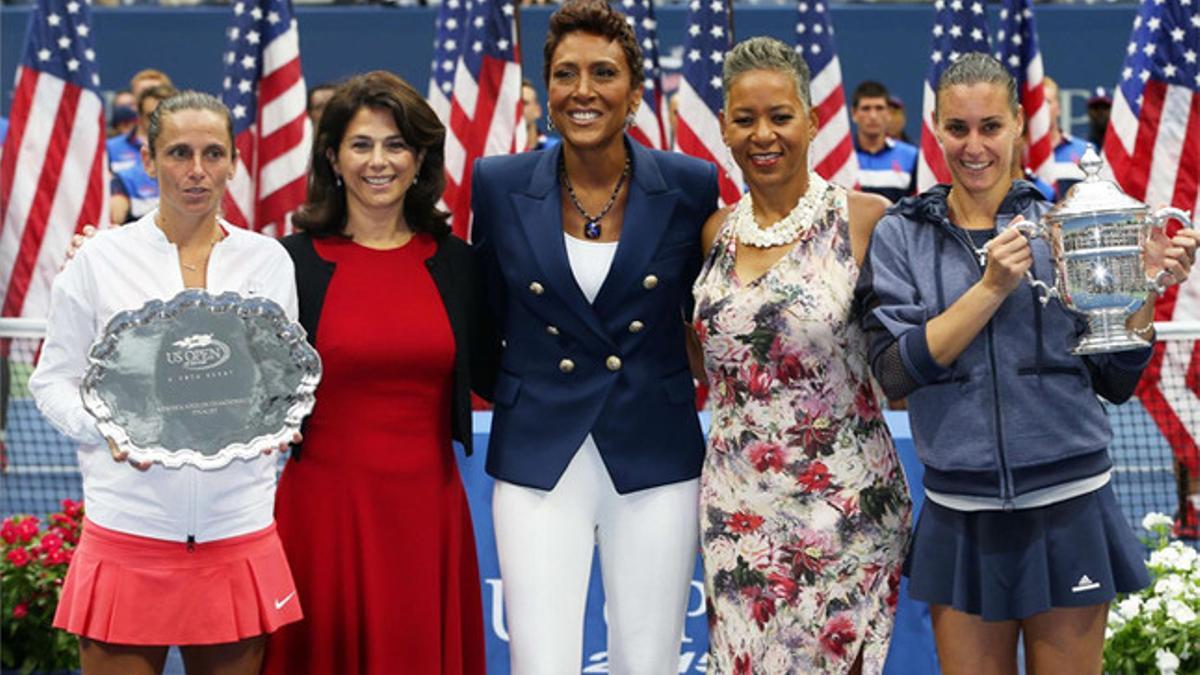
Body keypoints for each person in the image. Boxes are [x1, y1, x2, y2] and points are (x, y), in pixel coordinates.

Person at [855, 53, 1198, 675]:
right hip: (961, 515)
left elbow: (1115, 380)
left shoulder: (1067, 225)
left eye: (990, 126)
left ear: (1018, 123)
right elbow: (896, 373)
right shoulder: (900, 234)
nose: (975, 146)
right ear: (935, 127)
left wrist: (1144, 291)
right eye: (958, 128)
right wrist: (989, 288)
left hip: (1070, 506)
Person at [470, 1, 718, 672]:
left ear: (635, 92)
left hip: (654, 451)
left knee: (649, 657)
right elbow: (484, 319)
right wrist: (532, 391)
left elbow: (705, 314)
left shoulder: (692, 185)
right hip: (538, 457)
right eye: (565, 73)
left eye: (603, 72)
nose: (583, 90)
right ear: (545, 89)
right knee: (540, 659)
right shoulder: (496, 183)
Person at [29, 90, 301, 675]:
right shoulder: (98, 260)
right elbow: (51, 382)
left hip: (237, 526)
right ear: (148, 161)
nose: (196, 171)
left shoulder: (270, 261)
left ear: (234, 161)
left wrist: (277, 420)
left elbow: (282, 377)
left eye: (213, 153)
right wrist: (110, 430)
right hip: (129, 526)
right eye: (178, 152)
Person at [693, 37, 912, 674]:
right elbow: (700, 355)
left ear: (813, 122)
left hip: (845, 513)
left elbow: (910, 355)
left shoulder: (867, 220)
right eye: (745, 118)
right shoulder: (713, 232)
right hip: (737, 514)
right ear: (726, 129)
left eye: (781, 116)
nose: (764, 134)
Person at [262, 70, 487, 675]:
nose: (378, 161)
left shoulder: (461, 266)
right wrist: (102, 251)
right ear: (333, 156)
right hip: (323, 518)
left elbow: (504, 370)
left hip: (427, 515)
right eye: (361, 145)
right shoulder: (288, 264)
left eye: (396, 145)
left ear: (420, 159)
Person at [111, 84, 176, 224]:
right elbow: (113, 221)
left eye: (168, 114)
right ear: (139, 118)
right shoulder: (126, 178)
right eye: (152, 116)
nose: (159, 122)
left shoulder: (201, 170)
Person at [852, 81, 917, 204]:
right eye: (866, 108)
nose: (873, 116)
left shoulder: (911, 156)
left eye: (879, 108)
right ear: (854, 113)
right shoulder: (840, 157)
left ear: (888, 114)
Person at [107, 69, 175, 174]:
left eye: (157, 93)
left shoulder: (183, 148)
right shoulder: (110, 148)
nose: (150, 99)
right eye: (142, 94)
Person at [1042, 75, 1094, 200]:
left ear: (1058, 108)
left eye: (1047, 102)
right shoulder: (1018, 153)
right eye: (1036, 104)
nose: (1041, 110)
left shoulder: (1086, 150)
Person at [521, 79, 559, 152]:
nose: (518, 110)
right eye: (515, 105)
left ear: (537, 110)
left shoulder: (557, 151)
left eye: (524, 103)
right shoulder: (497, 151)